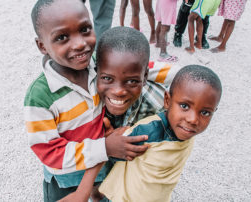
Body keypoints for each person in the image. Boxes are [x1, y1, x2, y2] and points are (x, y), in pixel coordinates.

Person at [25, 1, 149, 201]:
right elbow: (49, 152)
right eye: (62, 37)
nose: (80, 43)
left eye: (85, 29)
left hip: (101, 165)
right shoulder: (40, 96)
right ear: (42, 46)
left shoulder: (96, 64)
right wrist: (106, 147)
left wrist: (183, 79)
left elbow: (139, 67)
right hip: (66, 178)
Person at [59, 26, 184, 201]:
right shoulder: (84, 98)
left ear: (145, 76)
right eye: (107, 78)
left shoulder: (157, 103)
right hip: (96, 158)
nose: (118, 91)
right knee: (98, 186)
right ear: (96, 72)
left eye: (132, 81)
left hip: (132, 170)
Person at [98, 65, 222, 201]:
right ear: (167, 101)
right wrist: (111, 141)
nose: (193, 120)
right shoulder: (147, 132)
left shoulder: (186, 131)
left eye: (205, 112)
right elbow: (113, 153)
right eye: (185, 106)